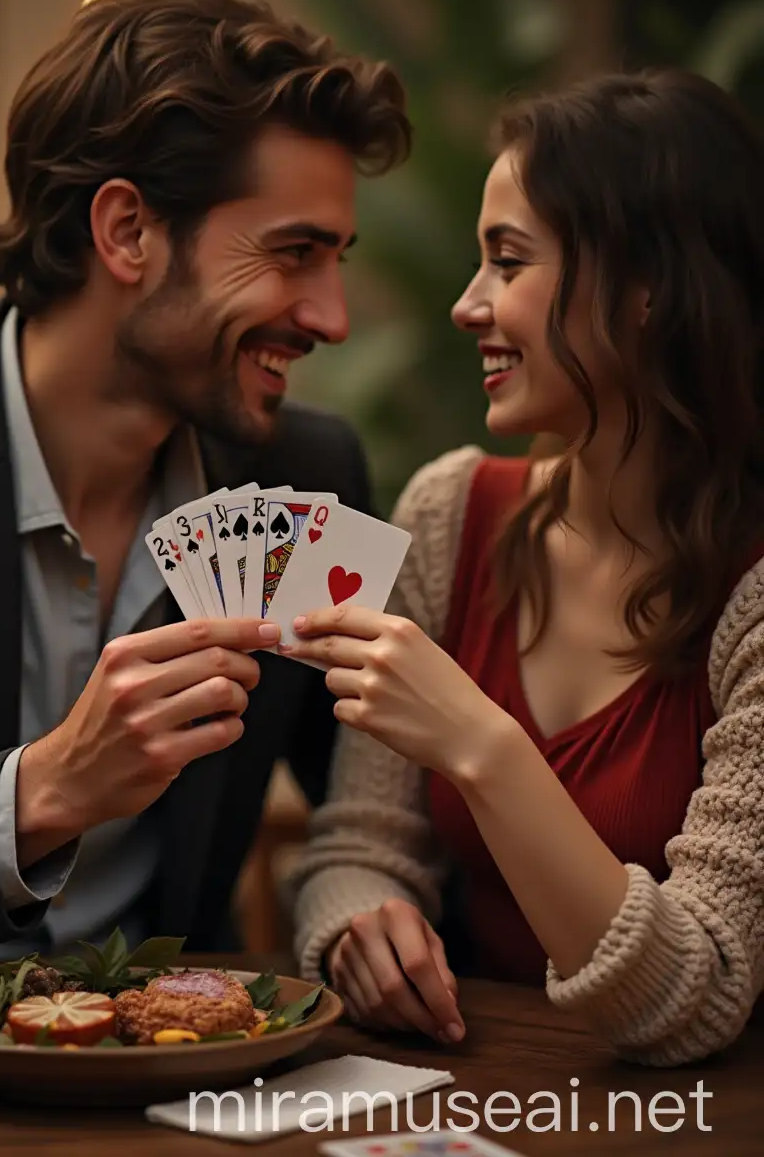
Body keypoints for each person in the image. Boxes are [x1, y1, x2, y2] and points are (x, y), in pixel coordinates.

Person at [0, 0, 411, 997]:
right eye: (293, 253)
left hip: (183, 1079)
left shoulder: (309, 481)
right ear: (127, 231)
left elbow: (370, 816)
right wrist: (44, 790)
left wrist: (361, 901)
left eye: (337, 260)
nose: (330, 315)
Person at [288, 69, 764, 1068]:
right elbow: (356, 843)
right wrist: (359, 924)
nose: (468, 306)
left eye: (508, 261)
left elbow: (698, 988)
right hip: (471, 1095)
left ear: (645, 291)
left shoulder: (751, 594)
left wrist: (480, 741)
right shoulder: (449, 510)